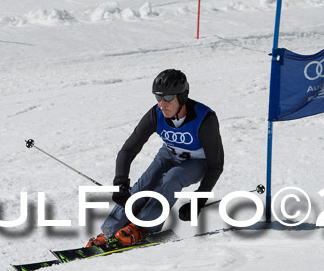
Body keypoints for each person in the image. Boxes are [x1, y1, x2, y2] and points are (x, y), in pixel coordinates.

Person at [88, 69, 224, 247]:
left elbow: (216, 165)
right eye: (158, 97)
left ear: (182, 97)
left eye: (167, 98)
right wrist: (120, 182)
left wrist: (199, 200)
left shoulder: (205, 119)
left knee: (172, 178)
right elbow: (127, 151)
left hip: (198, 162)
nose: (162, 103)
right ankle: (109, 232)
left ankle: (142, 228)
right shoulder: (156, 114)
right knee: (144, 184)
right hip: (169, 155)